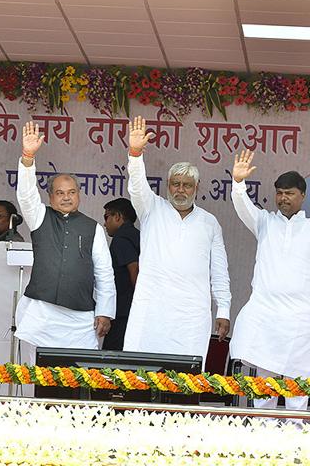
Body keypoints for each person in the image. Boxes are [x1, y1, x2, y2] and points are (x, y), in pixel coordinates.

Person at [123, 116, 231, 365]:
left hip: (191, 315)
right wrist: (135, 154)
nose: (181, 190)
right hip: (151, 310)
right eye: (175, 184)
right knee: (141, 375)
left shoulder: (209, 222)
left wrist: (223, 309)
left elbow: (219, 271)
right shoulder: (152, 209)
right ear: (167, 186)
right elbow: (137, 187)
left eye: (187, 185)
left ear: (197, 187)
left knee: (185, 379)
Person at [15, 121, 116, 365]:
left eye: (71, 192)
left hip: (79, 320)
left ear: (79, 195)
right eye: (60, 193)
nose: (67, 197)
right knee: (35, 377)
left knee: (78, 379)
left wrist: (105, 311)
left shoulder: (93, 227)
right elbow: (26, 196)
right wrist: (28, 158)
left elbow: (104, 273)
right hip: (41, 313)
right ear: (50, 197)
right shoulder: (40, 217)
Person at [230, 150, 310, 412]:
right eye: (279, 193)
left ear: (302, 196)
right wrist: (239, 183)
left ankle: (296, 444)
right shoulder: (264, 222)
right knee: (264, 389)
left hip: (300, 321)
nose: (283, 198)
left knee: (298, 391)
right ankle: (264, 441)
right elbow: (243, 207)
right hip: (267, 317)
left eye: (289, 193)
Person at [102, 198, 140, 351]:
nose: (105, 223)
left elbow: (134, 268)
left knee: (112, 358)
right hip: (131, 310)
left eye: (106, 217)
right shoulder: (137, 235)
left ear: (117, 216)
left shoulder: (121, 238)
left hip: (125, 311)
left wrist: (138, 303)